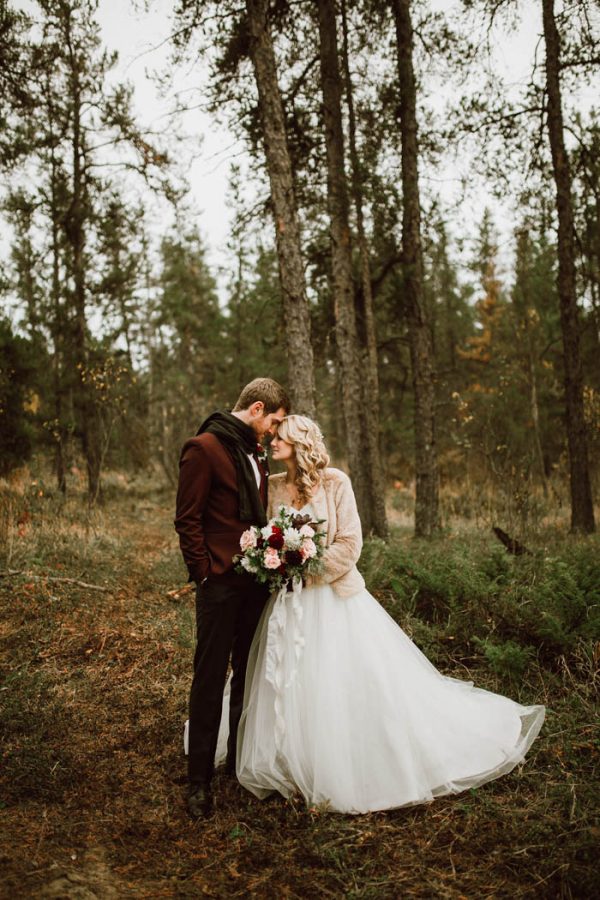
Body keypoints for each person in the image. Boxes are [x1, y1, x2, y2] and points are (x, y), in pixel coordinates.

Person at [230, 415, 545, 815]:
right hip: (287, 604)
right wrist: (274, 564)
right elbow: (262, 537)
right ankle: (292, 762)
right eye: (272, 435)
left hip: (332, 599)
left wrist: (308, 571)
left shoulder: (335, 482)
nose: (272, 440)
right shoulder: (272, 486)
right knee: (287, 680)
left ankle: (345, 764)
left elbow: (350, 543)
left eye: (280, 436)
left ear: (300, 441)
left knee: (339, 684)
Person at [174, 377, 290, 819]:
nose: (273, 432)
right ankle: (198, 781)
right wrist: (204, 576)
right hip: (219, 585)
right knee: (208, 680)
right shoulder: (203, 448)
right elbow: (188, 520)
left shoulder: (252, 452)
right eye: (274, 421)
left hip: (254, 584)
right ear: (257, 408)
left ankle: (239, 764)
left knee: (248, 674)